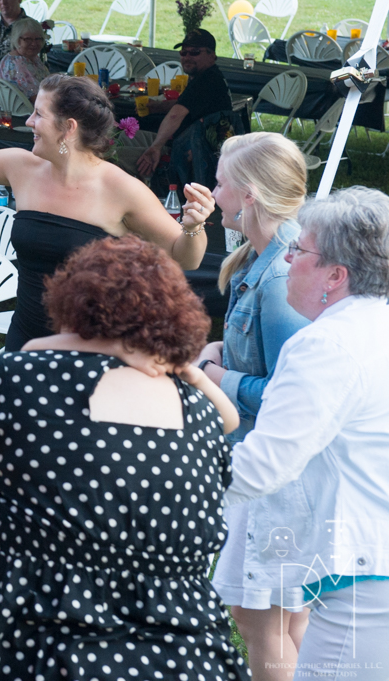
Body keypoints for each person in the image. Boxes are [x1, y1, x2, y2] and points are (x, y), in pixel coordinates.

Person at [0, 235, 245, 681]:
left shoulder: (20, 379)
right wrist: (185, 369)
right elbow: (229, 420)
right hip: (190, 656)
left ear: (72, 307)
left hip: (41, 650)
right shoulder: (199, 414)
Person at [0, 63, 214, 351]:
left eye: (38, 114)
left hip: (92, 350)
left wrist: (193, 227)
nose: (29, 121)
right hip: (25, 341)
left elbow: (186, 258)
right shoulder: (22, 168)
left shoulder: (122, 189)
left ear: (68, 128)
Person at [226, 186, 389, 681]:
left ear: (335, 276)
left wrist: (152, 474)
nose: (287, 258)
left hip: (365, 576)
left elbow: (263, 467)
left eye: (298, 249)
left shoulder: (326, 345)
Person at [194, 133, 310, 681]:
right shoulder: (260, 258)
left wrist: (218, 375)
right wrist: (224, 349)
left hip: (273, 472)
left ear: (250, 195)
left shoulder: (281, 275)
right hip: (272, 466)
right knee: (287, 614)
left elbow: (292, 395)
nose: (214, 193)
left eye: (221, 183)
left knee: (258, 616)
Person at [136, 28, 234, 185]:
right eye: (184, 52)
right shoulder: (209, 77)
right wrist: (157, 107)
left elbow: (176, 114)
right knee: (126, 137)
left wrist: (156, 147)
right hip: (190, 144)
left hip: (189, 153)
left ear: (212, 56)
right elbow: (184, 104)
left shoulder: (206, 82)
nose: (187, 57)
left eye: (195, 52)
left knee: (116, 155)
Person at [0, 17, 50, 102]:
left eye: (38, 39)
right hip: (30, 109)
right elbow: (36, 99)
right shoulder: (18, 63)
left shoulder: (32, 57)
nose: (34, 43)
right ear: (17, 40)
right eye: (28, 39)